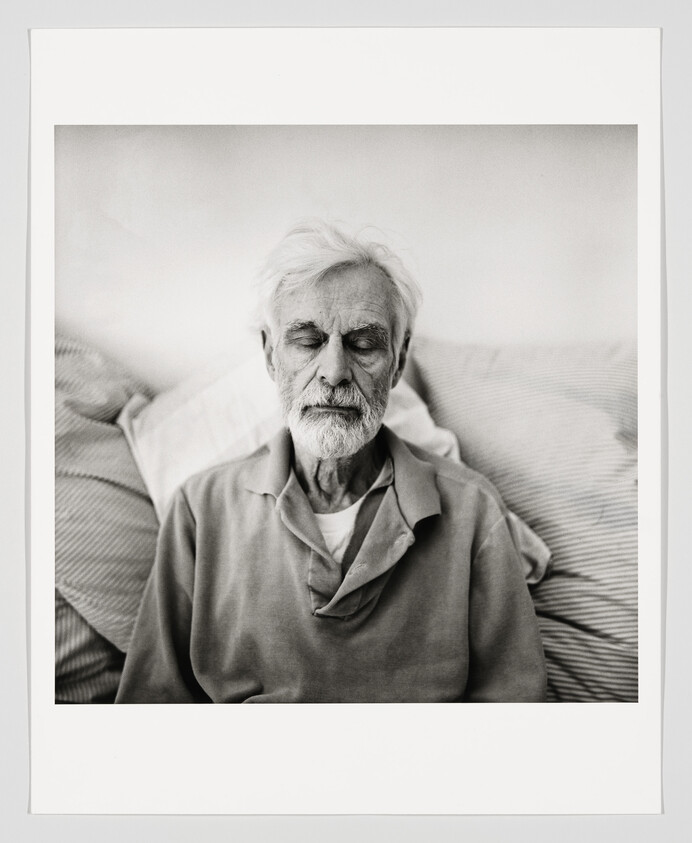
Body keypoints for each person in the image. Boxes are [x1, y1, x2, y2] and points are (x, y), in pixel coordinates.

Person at [115, 221, 547, 703]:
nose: (335, 372)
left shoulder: (472, 511)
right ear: (270, 356)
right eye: (308, 341)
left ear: (399, 361)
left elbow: (515, 711)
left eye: (363, 345)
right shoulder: (201, 510)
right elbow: (150, 709)